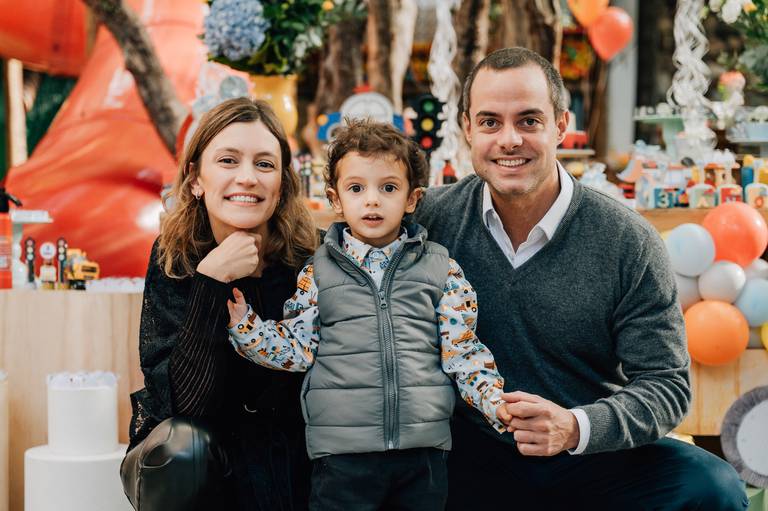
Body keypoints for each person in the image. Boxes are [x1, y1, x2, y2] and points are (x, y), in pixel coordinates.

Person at [413, 47, 749, 510]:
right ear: (467, 128)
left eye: (529, 121)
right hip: (467, 453)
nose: (509, 140)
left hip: (590, 455)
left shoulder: (627, 241)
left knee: (712, 486)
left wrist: (575, 427)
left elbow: (666, 386)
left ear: (560, 126)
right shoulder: (428, 219)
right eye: (490, 122)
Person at [226, 119, 511, 511]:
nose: (372, 200)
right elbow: (299, 347)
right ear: (336, 199)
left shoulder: (441, 269)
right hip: (343, 457)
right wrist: (246, 327)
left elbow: (462, 351)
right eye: (356, 188)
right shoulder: (318, 272)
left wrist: (495, 401)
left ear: (412, 199)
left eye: (388, 188)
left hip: (422, 454)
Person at [120, 97, 318, 511]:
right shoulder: (174, 257)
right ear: (196, 179)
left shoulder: (311, 258)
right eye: (228, 161)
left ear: (282, 183)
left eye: (264, 164)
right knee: (186, 446)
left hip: (295, 449)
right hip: (204, 462)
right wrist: (211, 280)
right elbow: (186, 407)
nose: (247, 177)